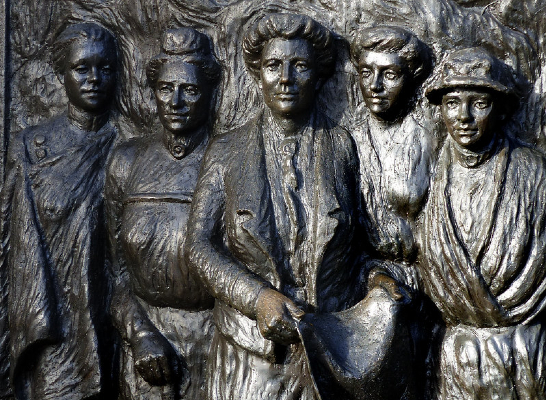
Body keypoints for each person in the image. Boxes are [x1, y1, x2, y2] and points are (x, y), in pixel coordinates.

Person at [185, 13, 403, 400]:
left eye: (299, 66)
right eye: (273, 65)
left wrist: (377, 280)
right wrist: (256, 298)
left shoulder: (341, 147)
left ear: (318, 76)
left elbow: (364, 244)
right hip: (249, 356)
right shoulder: (226, 152)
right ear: (257, 74)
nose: (285, 78)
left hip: (328, 347)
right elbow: (200, 245)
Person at [418, 47, 546, 400]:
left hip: (525, 355)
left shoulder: (534, 175)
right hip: (458, 359)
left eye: (478, 104)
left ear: (500, 110)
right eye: (452, 103)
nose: (464, 116)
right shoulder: (429, 177)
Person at [0, 23, 119, 400]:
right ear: (61, 74)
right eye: (81, 68)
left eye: (105, 68)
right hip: (54, 329)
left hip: (114, 321)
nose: (94, 78)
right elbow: (15, 247)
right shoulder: (31, 148)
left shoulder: (127, 146)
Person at [105, 28, 220, 400]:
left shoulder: (227, 158)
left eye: (190, 89)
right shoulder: (126, 161)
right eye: (165, 89)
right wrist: (139, 333)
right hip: (144, 340)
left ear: (209, 93)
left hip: (214, 338)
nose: (176, 101)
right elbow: (115, 275)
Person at [349, 25, 435, 278]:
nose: (375, 85)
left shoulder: (427, 140)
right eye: (366, 73)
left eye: (389, 75)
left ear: (411, 78)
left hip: (423, 273)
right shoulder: (348, 141)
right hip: (360, 273)